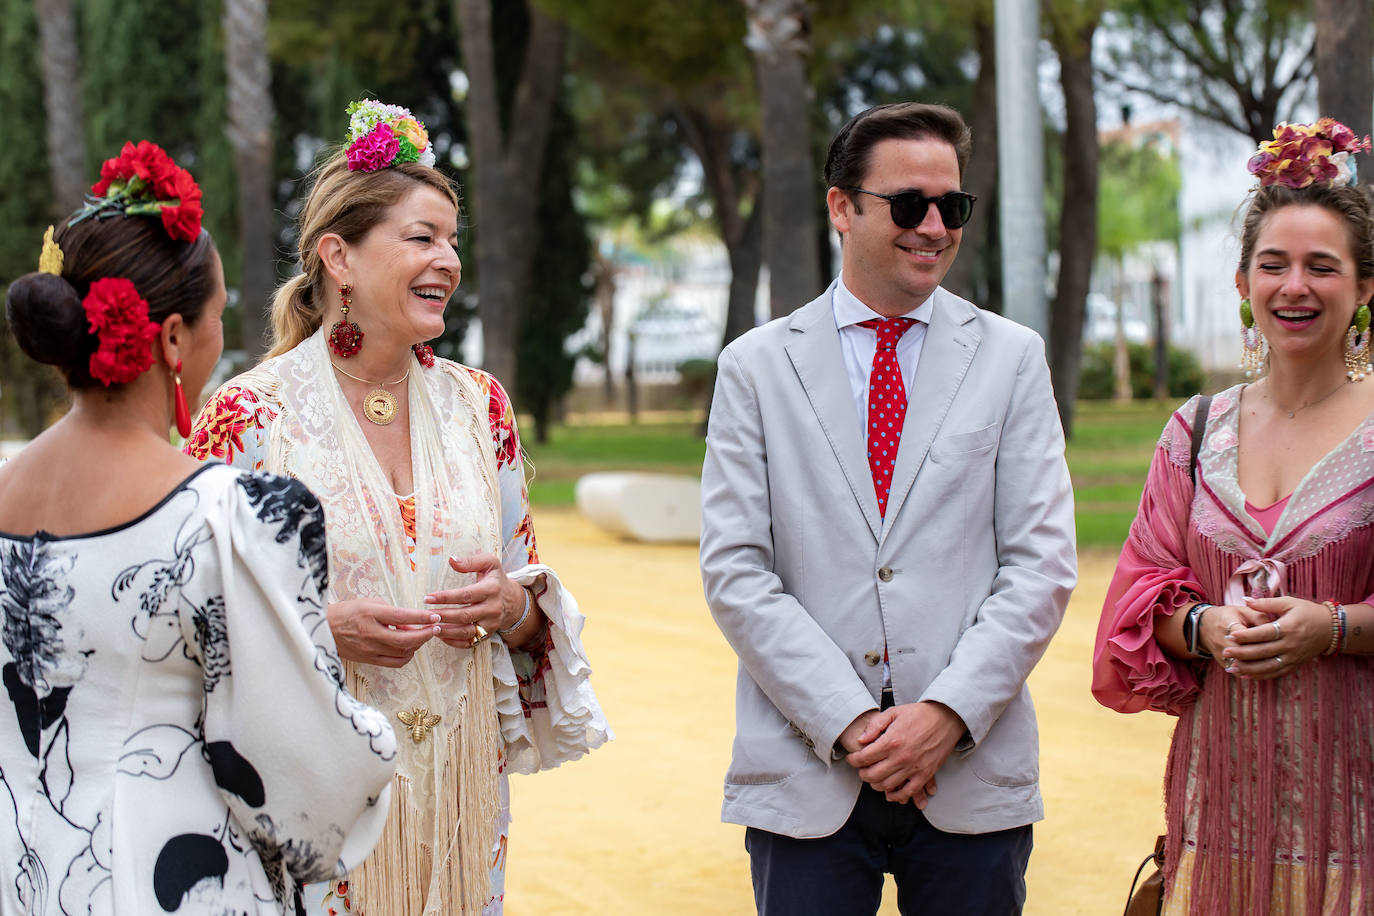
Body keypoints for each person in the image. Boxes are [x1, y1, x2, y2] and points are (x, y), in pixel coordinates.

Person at [186, 99, 611, 916]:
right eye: (422, 237)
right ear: (338, 258)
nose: (448, 260)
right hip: (307, 814)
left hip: (460, 803)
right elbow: (183, 616)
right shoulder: (246, 418)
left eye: (453, 240)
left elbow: (522, 593)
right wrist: (320, 633)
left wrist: (515, 606)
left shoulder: (481, 407)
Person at [0, 141, 398, 915]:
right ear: (176, 338)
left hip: (21, 870)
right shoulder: (235, 517)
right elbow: (305, 786)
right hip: (169, 878)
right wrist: (384, 745)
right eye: (219, 315)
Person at [699, 101, 1077, 915]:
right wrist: (846, 722)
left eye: (953, 206)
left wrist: (945, 713)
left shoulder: (1013, 359)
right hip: (809, 773)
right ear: (842, 206)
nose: (935, 226)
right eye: (910, 204)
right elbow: (735, 571)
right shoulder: (755, 368)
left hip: (969, 772)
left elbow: (1041, 563)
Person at [1093, 118, 1374, 914]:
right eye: (1273, 265)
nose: (1295, 286)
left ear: (1364, 287)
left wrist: (1336, 626)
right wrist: (1206, 627)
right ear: (1244, 284)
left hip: (1357, 823)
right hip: (1217, 818)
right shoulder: (1195, 429)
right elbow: (1138, 604)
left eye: (1323, 266)